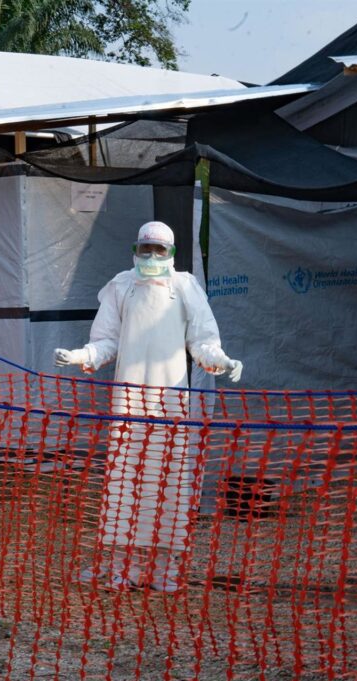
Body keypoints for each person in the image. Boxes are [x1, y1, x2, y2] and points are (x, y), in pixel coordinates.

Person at [54, 220, 242, 592]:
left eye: (160, 250)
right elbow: (107, 340)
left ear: (171, 253)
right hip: (128, 404)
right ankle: (122, 565)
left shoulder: (185, 287)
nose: (152, 256)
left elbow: (202, 339)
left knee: (169, 480)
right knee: (124, 479)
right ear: (135, 250)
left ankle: (165, 567)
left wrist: (220, 360)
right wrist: (83, 355)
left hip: (171, 404)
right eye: (146, 249)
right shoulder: (121, 286)